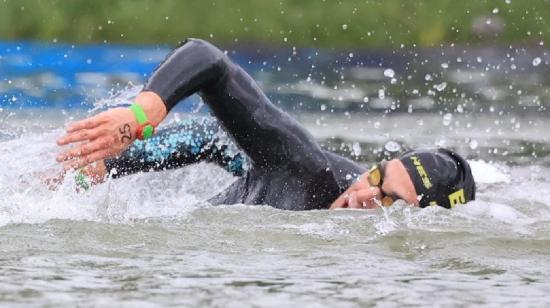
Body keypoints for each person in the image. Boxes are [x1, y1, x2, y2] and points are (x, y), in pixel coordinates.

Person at [56, 39, 476, 210]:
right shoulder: (308, 170)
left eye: (387, 199)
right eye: (377, 175)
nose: (362, 193)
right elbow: (208, 60)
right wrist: (135, 124)